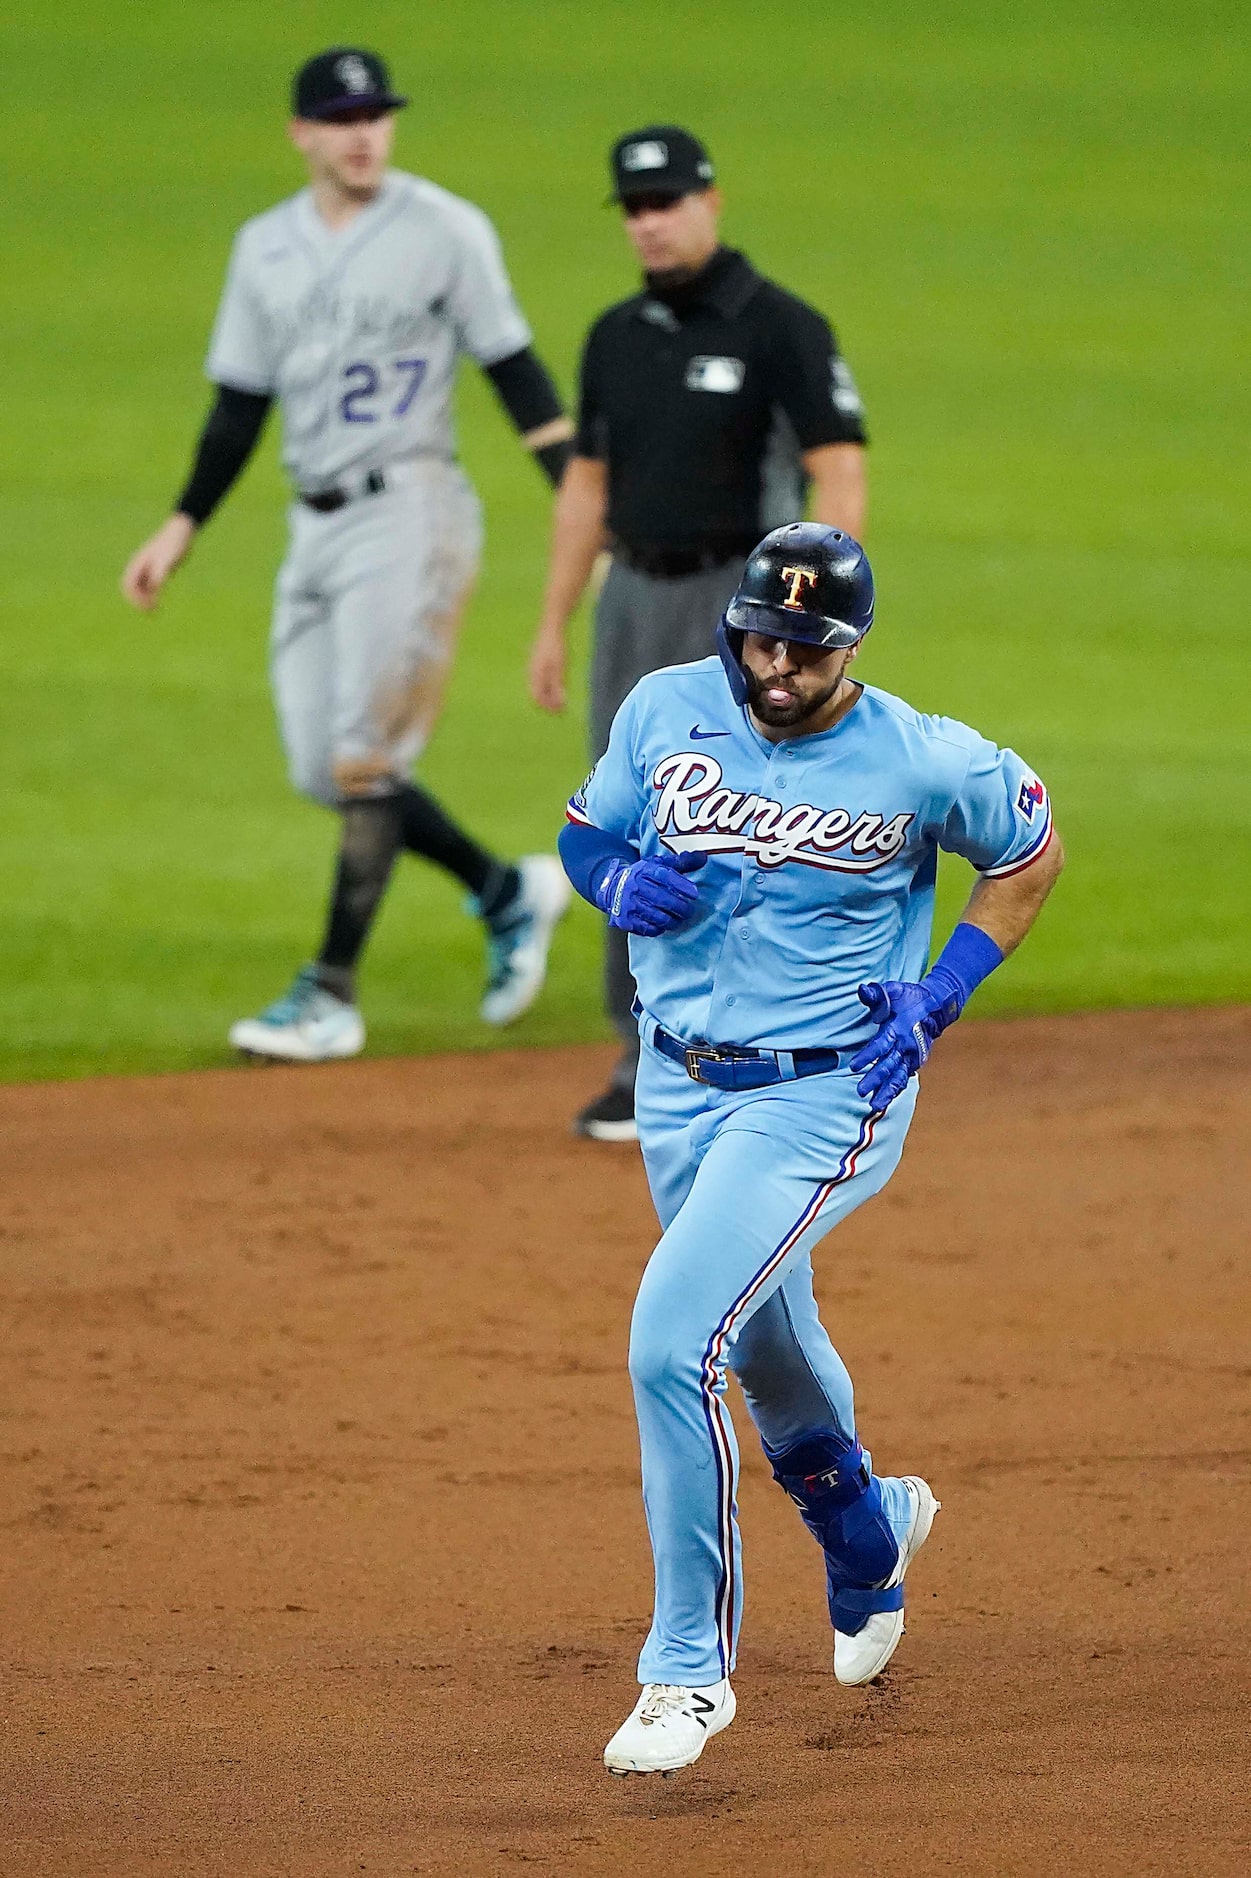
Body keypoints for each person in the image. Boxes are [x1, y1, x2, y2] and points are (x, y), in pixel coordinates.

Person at [558, 523, 1063, 1775]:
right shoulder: (664, 708)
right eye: (761, 637)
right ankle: (866, 1530)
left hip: (828, 1097)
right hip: (678, 1089)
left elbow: (1028, 855)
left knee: (673, 1341)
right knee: (769, 1341)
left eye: (808, 649)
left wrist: (941, 988)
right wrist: (614, 885)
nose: (776, 665)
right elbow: (586, 829)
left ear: (853, 648)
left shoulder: (920, 756)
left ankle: (687, 1670)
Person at [121, 47, 573, 1062]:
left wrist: (579, 502)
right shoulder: (263, 248)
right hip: (311, 525)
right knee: (323, 769)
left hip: (411, 512)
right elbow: (239, 403)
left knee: (367, 756)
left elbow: (517, 375)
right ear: (303, 134)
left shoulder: (445, 229)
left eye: (378, 114)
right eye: (343, 117)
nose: (365, 132)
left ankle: (329, 993)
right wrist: (181, 524)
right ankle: (510, 892)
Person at [531, 126, 869, 1140]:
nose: (651, 220)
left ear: (712, 201)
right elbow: (585, 488)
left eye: (668, 200)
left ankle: (769, 1044)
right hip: (631, 593)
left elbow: (838, 467)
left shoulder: (782, 329)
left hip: (746, 606)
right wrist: (554, 616)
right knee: (627, 810)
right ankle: (642, 1057)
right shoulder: (612, 336)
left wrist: (823, 625)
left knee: (748, 817)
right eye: (634, 206)